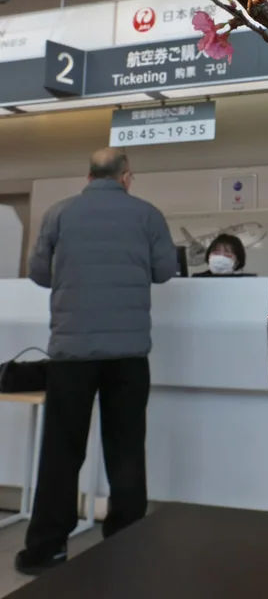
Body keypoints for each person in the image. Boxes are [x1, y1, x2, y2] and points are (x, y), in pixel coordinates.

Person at [16, 148, 177, 577]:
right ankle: (126, 543)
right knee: (125, 449)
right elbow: (165, 271)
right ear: (126, 177)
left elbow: (39, 273)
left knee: (61, 451)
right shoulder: (147, 215)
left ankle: (46, 549)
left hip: (71, 353)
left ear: (88, 176)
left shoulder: (58, 213)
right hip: (128, 354)